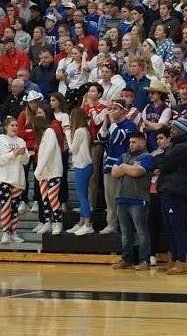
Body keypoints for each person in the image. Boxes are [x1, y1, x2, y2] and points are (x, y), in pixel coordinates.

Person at [156, 116, 187, 275]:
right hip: (168, 190)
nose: (170, 131)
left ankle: (181, 260)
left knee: (177, 226)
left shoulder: (184, 147)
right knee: (170, 226)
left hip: (176, 191)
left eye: (173, 129)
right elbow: (163, 160)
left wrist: (160, 161)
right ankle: (174, 258)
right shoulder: (174, 147)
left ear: (181, 130)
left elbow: (163, 163)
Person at [111, 131, 155, 270]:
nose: (131, 144)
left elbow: (137, 172)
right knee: (125, 232)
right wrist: (129, 168)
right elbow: (113, 173)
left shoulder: (148, 157)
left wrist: (123, 167)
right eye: (130, 142)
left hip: (139, 199)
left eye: (134, 142)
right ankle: (127, 259)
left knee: (141, 231)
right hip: (122, 198)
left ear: (143, 142)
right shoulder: (124, 155)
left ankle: (144, 260)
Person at [98, 100, 139, 234]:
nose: (112, 111)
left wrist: (112, 124)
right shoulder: (111, 124)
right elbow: (101, 138)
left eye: (115, 108)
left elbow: (118, 138)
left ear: (123, 111)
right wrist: (105, 122)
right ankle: (111, 224)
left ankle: (124, 227)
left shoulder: (130, 125)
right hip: (109, 165)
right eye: (111, 108)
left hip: (123, 166)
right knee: (109, 198)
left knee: (120, 198)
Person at [0, 117, 29, 244]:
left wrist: (22, 154)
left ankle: (14, 232)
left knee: (14, 207)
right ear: (6, 127)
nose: (15, 127)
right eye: (12, 125)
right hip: (2, 178)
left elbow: (25, 161)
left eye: (17, 125)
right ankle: (5, 232)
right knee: (6, 206)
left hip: (17, 178)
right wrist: (12, 154)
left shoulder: (21, 141)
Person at [31, 115, 64, 235]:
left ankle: (57, 223)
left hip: (53, 171)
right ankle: (47, 222)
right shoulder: (42, 135)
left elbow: (48, 152)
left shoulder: (49, 131)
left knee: (52, 197)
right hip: (44, 173)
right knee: (44, 199)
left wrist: (38, 170)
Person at [66, 107, 94, 235]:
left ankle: (88, 223)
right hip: (85, 165)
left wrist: (67, 133)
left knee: (82, 196)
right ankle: (82, 221)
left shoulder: (78, 131)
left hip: (82, 165)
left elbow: (72, 149)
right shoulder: (85, 130)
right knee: (82, 195)